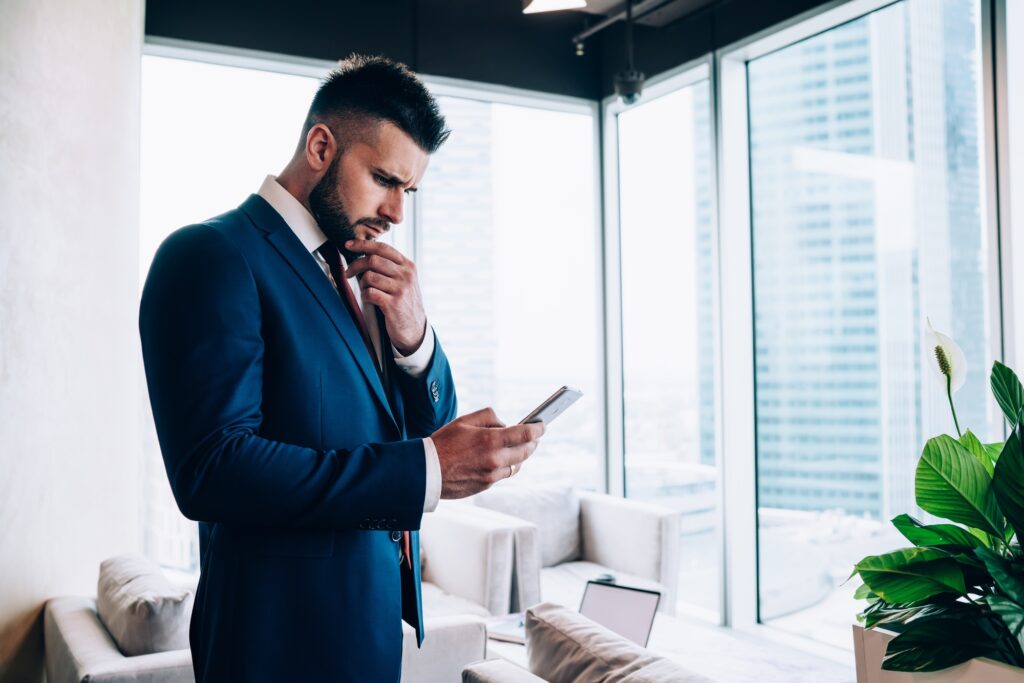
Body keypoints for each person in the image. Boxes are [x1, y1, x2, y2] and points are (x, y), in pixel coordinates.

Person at [139, 54, 545, 682]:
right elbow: (212, 469)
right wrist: (427, 469)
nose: (396, 212)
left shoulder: (359, 273)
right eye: (384, 178)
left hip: (369, 632)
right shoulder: (210, 256)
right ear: (322, 146)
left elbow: (416, 424)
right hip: (275, 644)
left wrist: (415, 338)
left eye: (408, 191)